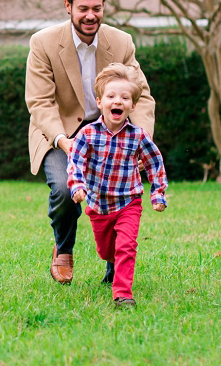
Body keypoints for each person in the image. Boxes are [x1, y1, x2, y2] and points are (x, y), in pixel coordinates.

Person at [24, 0, 156, 285]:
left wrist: (143, 141)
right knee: (64, 189)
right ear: (68, 6)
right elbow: (40, 102)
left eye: (97, 8)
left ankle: (114, 269)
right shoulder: (42, 43)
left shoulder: (120, 42)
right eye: (83, 8)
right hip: (60, 130)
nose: (90, 15)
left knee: (118, 195)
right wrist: (63, 142)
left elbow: (142, 95)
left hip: (110, 129)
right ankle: (64, 249)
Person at [68, 63, 168, 308]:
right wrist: (77, 185)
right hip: (98, 204)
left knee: (126, 246)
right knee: (106, 250)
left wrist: (157, 193)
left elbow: (154, 162)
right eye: (111, 96)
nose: (118, 101)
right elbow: (75, 161)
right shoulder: (88, 134)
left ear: (132, 106)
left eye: (125, 98)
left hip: (128, 202)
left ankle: (122, 293)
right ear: (100, 102)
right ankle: (110, 263)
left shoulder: (138, 136)